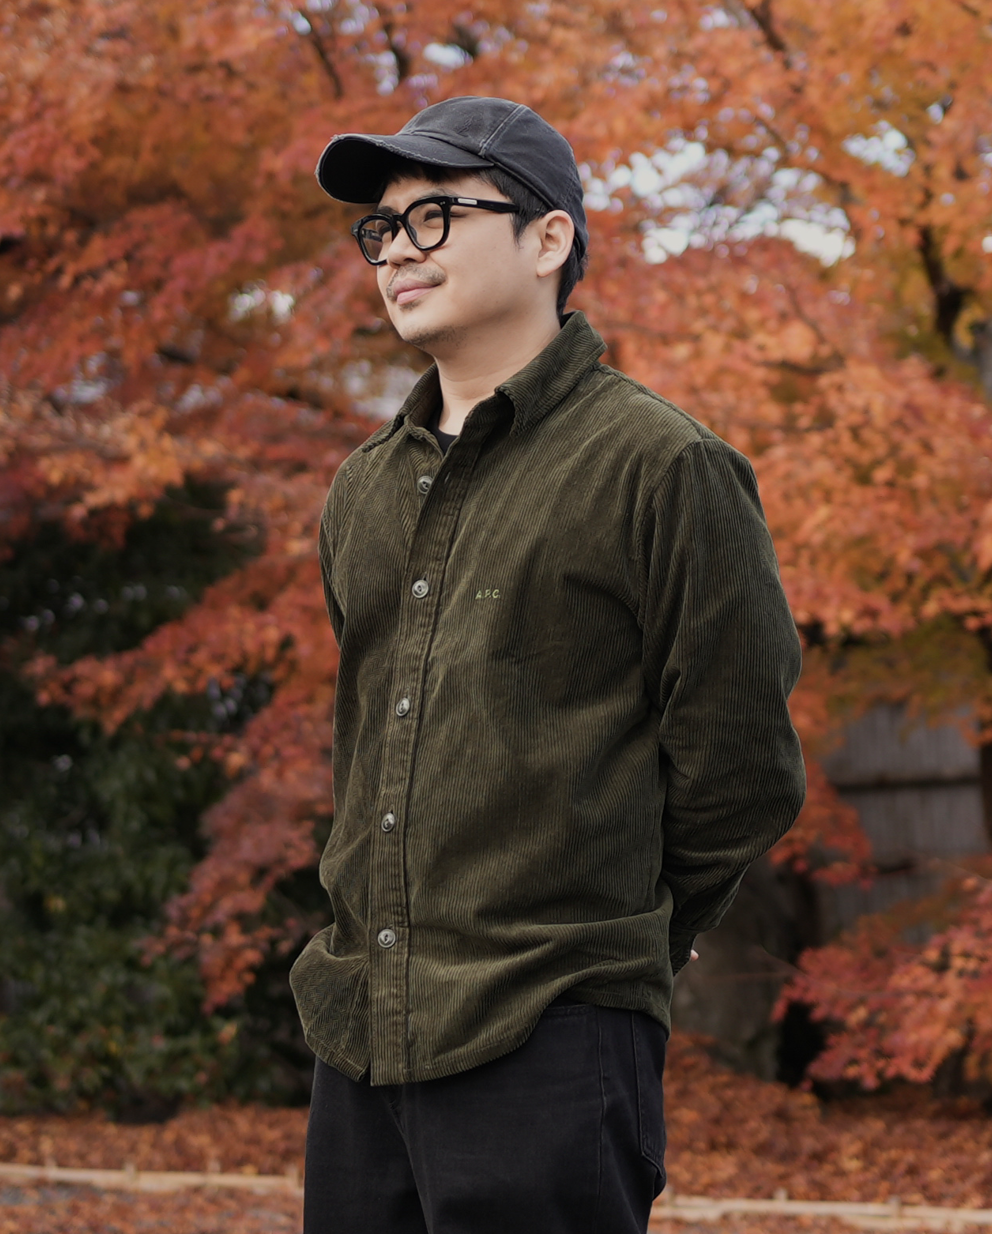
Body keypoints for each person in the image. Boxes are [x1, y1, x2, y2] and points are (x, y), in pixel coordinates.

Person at [290, 96, 806, 1234]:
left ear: (547, 239)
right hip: (360, 1039)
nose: (398, 251)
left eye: (434, 215)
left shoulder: (661, 467)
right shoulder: (362, 492)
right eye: (381, 230)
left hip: (551, 1037)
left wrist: (607, 943)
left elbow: (741, 768)